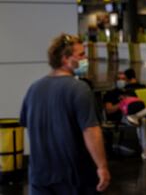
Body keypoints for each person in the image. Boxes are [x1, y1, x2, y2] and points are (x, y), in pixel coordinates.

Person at [20, 33, 110, 195]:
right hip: (73, 178)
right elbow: (90, 130)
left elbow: (28, 124)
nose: (86, 58)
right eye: (81, 54)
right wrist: (102, 167)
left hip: (40, 177)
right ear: (65, 59)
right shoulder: (79, 88)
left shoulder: (34, 89)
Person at [103, 69, 146, 160]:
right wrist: (122, 103)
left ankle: (136, 117)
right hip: (123, 117)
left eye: (123, 78)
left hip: (137, 113)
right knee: (142, 120)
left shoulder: (130, 91)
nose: (122, 81)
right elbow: (109, 110)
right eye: (119, 78)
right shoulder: (110, 94)